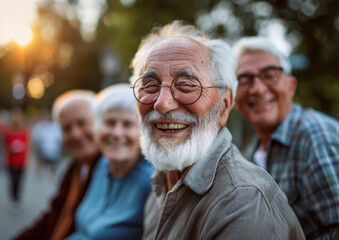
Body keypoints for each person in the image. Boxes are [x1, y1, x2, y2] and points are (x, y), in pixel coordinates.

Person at [129, 20, 305, 240]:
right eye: (150, 85)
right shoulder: (160, 185)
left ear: (223, 106)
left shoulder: (242, 200)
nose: (162, 103)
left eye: (186, 85)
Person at [232, 36, 339, 239]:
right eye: (244, 80)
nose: (258, 89)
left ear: (291, 86)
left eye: (270, 75)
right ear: (234, 98)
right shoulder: (250, 154)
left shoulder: (314, 136)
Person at [66, 84, 153, 240]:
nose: (117, 133)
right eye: (110, 123)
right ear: (97, 129)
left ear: (142, 133)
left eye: (127, 124)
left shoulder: (151, 183)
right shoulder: (102, 164)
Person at [14, 90, 101, 240]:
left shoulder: (113, 172)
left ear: (100, 123)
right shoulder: (74, 168)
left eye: (82, 123)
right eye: (67, 128)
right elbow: (53, 216)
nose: (75, 134)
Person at [3, 109, 30, 210]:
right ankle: (13, 198)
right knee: (13, 180)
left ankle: (17, 198)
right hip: (11, 161)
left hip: (21, 162)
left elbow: (28, 146)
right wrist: (11, 147)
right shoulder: (9, 132)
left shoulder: (25, 132)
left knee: (19, 181)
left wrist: (27, 159)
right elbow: (5, 146)